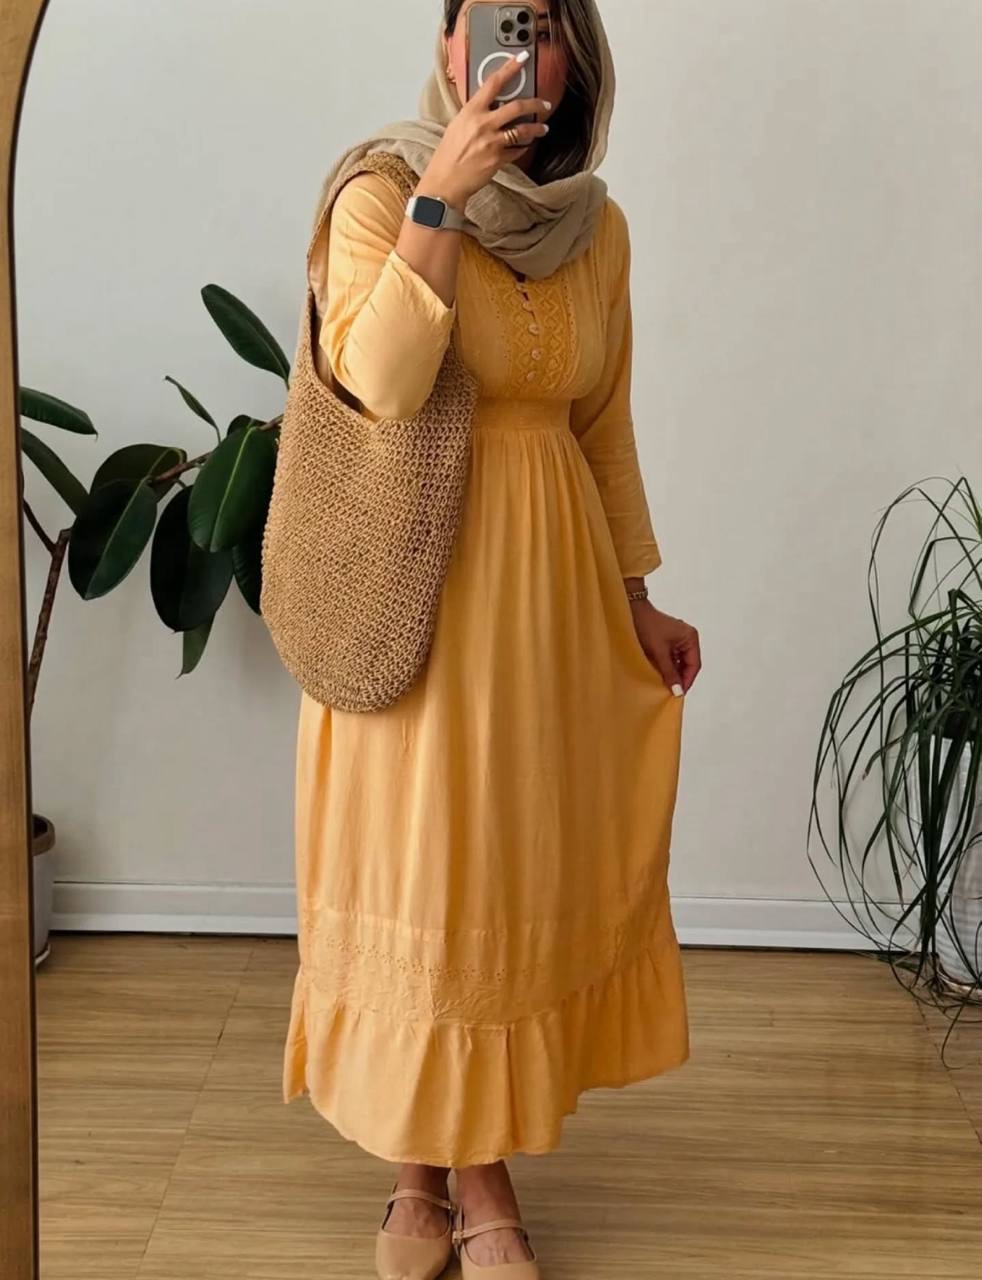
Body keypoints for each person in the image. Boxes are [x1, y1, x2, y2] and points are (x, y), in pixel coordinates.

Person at [281, 2, 702, 1276]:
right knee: (425, 871)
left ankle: (444, 1164)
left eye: (542, 25)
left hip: (549, 596)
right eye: (492, 22)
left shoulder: (596, 227)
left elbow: (601, 420)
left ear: (573, 60)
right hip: (414, 581)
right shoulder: (377, 191)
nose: (516, 53)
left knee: (507, 872)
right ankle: (460, 1173)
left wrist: (636, 593)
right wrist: (442, 200)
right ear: (449, 50)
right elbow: (380, 381)